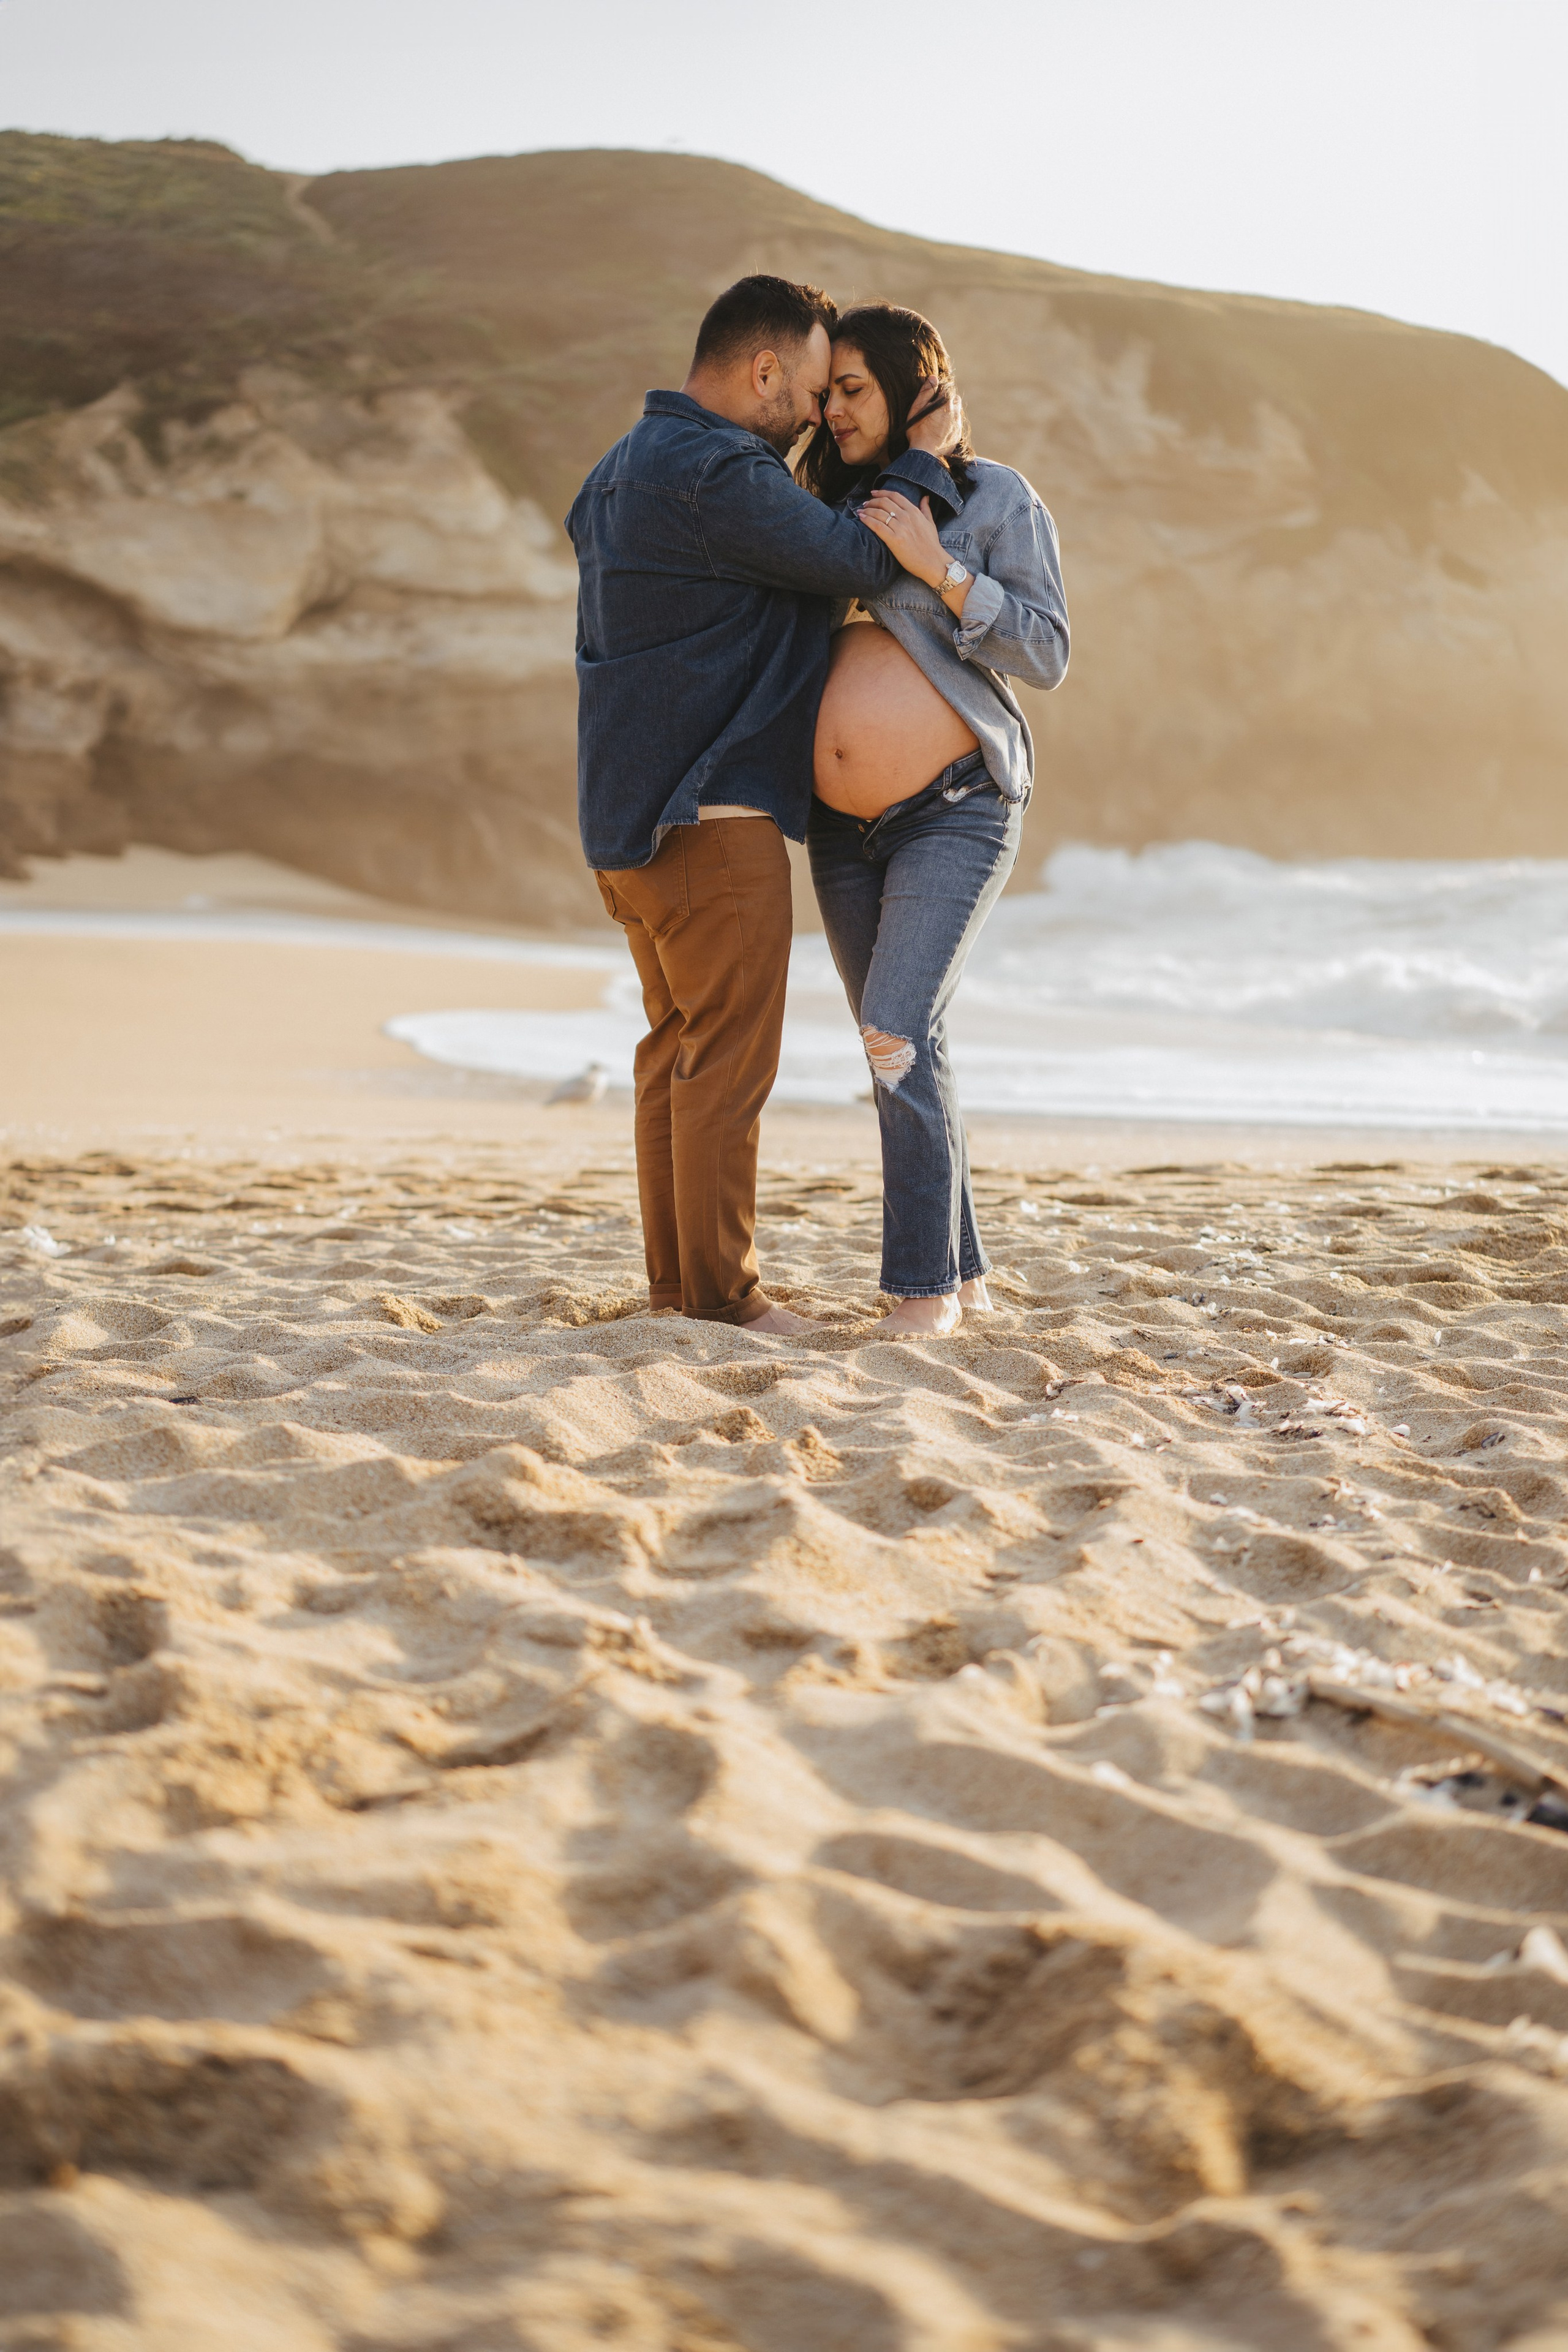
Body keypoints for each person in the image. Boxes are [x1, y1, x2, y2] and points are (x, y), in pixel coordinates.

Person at [565, 276, 962, 1332]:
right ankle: (726, 1303)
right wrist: (924, 454)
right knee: (728, 1070)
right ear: (764, 370)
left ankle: (675, 1291)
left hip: (625, 823)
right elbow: (862, 556)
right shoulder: (715, 468)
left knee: (674, 1060)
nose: (819, 411)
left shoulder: (616, 470)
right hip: (712, 817)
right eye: (814, 382)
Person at [798, 303, 1070, 1333]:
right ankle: (962, 1272)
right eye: (825, 397)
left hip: (957, 807)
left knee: (893, 1030)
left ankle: (919, 1296)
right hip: (839, 829)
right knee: (909, 1040)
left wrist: (942, 570)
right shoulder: (815, 504)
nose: (831, 414)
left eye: (853, 390)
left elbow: (1046, 652)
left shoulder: (994, 496)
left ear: (919, 389)